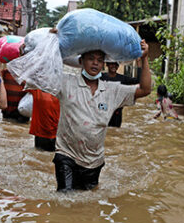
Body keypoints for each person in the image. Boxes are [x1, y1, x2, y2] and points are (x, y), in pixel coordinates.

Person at [52, 39, 151, 192]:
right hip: (66, 154)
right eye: (91, 58)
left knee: (88, 206)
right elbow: (41, 76)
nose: (95, 63)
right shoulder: (65, 82)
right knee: (65, 198)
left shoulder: (112, 90)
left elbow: (145, 89)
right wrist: (48, 43)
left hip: (94, 162)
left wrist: (144, 58)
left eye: (99, 60)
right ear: (81, 61)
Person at [100, 61, 141, 127]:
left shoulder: (123, 79)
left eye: (116, 64)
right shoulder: (101, 77)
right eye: (112, 64)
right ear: (107, 65)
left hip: (117, 112)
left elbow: (138, 80)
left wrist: (138, 63)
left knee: (115, 132)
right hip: (103, 110)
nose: (114, 66)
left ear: (118, 66)